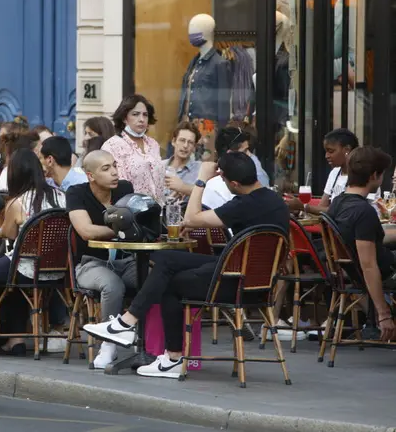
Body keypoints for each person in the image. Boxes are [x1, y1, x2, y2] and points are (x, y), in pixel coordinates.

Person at [83, 152, 290, 378]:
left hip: (235, 282)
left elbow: (191, 218)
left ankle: (168, 355)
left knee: (169, 281)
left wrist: (201, 179)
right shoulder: (272, 200)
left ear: (234, 184)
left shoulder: (243, 204)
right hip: (256, 280)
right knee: (166, 259)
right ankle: (127, 324)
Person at [0, 148, 66, 356]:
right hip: (57, 272)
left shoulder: (18, 202)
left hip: (26, 267)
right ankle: (15, 339)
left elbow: (7, 233)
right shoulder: (62, 197)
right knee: (11, 281)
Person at [66, 150, 137, 369]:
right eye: (106, 169)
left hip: (126, 260)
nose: (114, 172)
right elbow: (86, 231)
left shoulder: (125, 189)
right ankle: (108, 345)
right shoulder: (77, 193)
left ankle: (150, 343)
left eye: (114, 165)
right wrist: (120, 229)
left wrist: (117, 229)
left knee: (153, 277)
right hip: (90, 263)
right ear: (90, 176)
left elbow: (136, 223)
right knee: (112, 284)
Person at [326, 146, 396, 341]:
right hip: (384, 272)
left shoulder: (338, 203)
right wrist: (384, 314)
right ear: (375, 175)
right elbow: (369, 266)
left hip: (348, 270)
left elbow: (373, 239)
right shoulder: (364, 212)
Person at [288, 128, 379, 215]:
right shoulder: (335, 173)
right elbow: (322, 206)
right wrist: (300, 209)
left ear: (347, 150)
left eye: (331, 151)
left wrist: (304, 207)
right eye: (326, 151)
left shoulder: (363, 174)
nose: (326, 156)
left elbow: (345, 212)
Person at [102, 95, 165, 205]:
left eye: (145, 115)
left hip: (158, 210)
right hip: (129, 211)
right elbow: (118, 185)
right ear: (124, 118)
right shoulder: (112, 145)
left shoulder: (153, 144)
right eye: (135, 114)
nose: (141, 119)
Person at [201, 126, 270, 209]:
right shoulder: (214, 188)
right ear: (230, 154)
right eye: (244, 151)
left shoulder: (249, 179)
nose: (249, 155)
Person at [163, 121, 202, 200]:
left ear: (194, 147)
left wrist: (183, 188)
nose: (185, 146)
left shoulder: (200, 169)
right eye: (182, 140)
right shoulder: (159, 166)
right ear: (174, 141)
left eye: (190, 142)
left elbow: (209, 194)